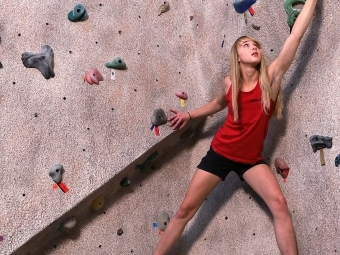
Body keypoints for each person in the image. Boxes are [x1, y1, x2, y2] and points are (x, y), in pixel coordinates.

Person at [153, 1, 317, 255]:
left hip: (251, 160)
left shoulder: (271, 78)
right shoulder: (229, 83)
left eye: (255, 45)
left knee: (279, 205)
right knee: (185, 211)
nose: (253, 48)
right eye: (246, 45)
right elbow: (219, 103)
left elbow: (296, 35)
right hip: (220, 152)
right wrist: (189, 113)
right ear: (237, 56)